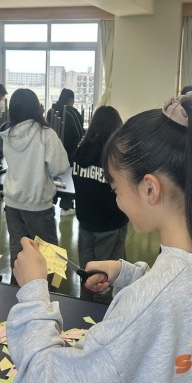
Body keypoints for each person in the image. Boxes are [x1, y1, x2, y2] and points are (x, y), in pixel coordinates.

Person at [8, 92, 192, 383]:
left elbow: (43, 381)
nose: (117, 199)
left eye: (116, 188)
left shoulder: (145, 306)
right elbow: (178, 301)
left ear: (149, 189)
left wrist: (33, 292)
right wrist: (129, 275)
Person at [0, 88, 69, 280]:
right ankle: (47, 293)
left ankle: (19, 292)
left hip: (12, 203)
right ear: (36, 107)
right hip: (38, 205)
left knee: (19, 253)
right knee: (49, 255)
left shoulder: (8, 133)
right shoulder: (45, 134)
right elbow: (60, 167)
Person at [71, 105, 128, 304]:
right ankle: (104, 315)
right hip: (110, 224)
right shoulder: (114, 156)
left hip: (85, 222)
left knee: (87, 274)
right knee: (106, 278)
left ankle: (84, 310)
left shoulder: (80, 151)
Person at [47, 88, 83, 215]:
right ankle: (66, 206)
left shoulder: (50, 112)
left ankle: (50, 202)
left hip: (51, 151)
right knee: (67, 179)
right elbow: (79, 133)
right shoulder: (72, 113)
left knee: (51, 176)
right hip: (69, 152)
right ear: (71, 100)